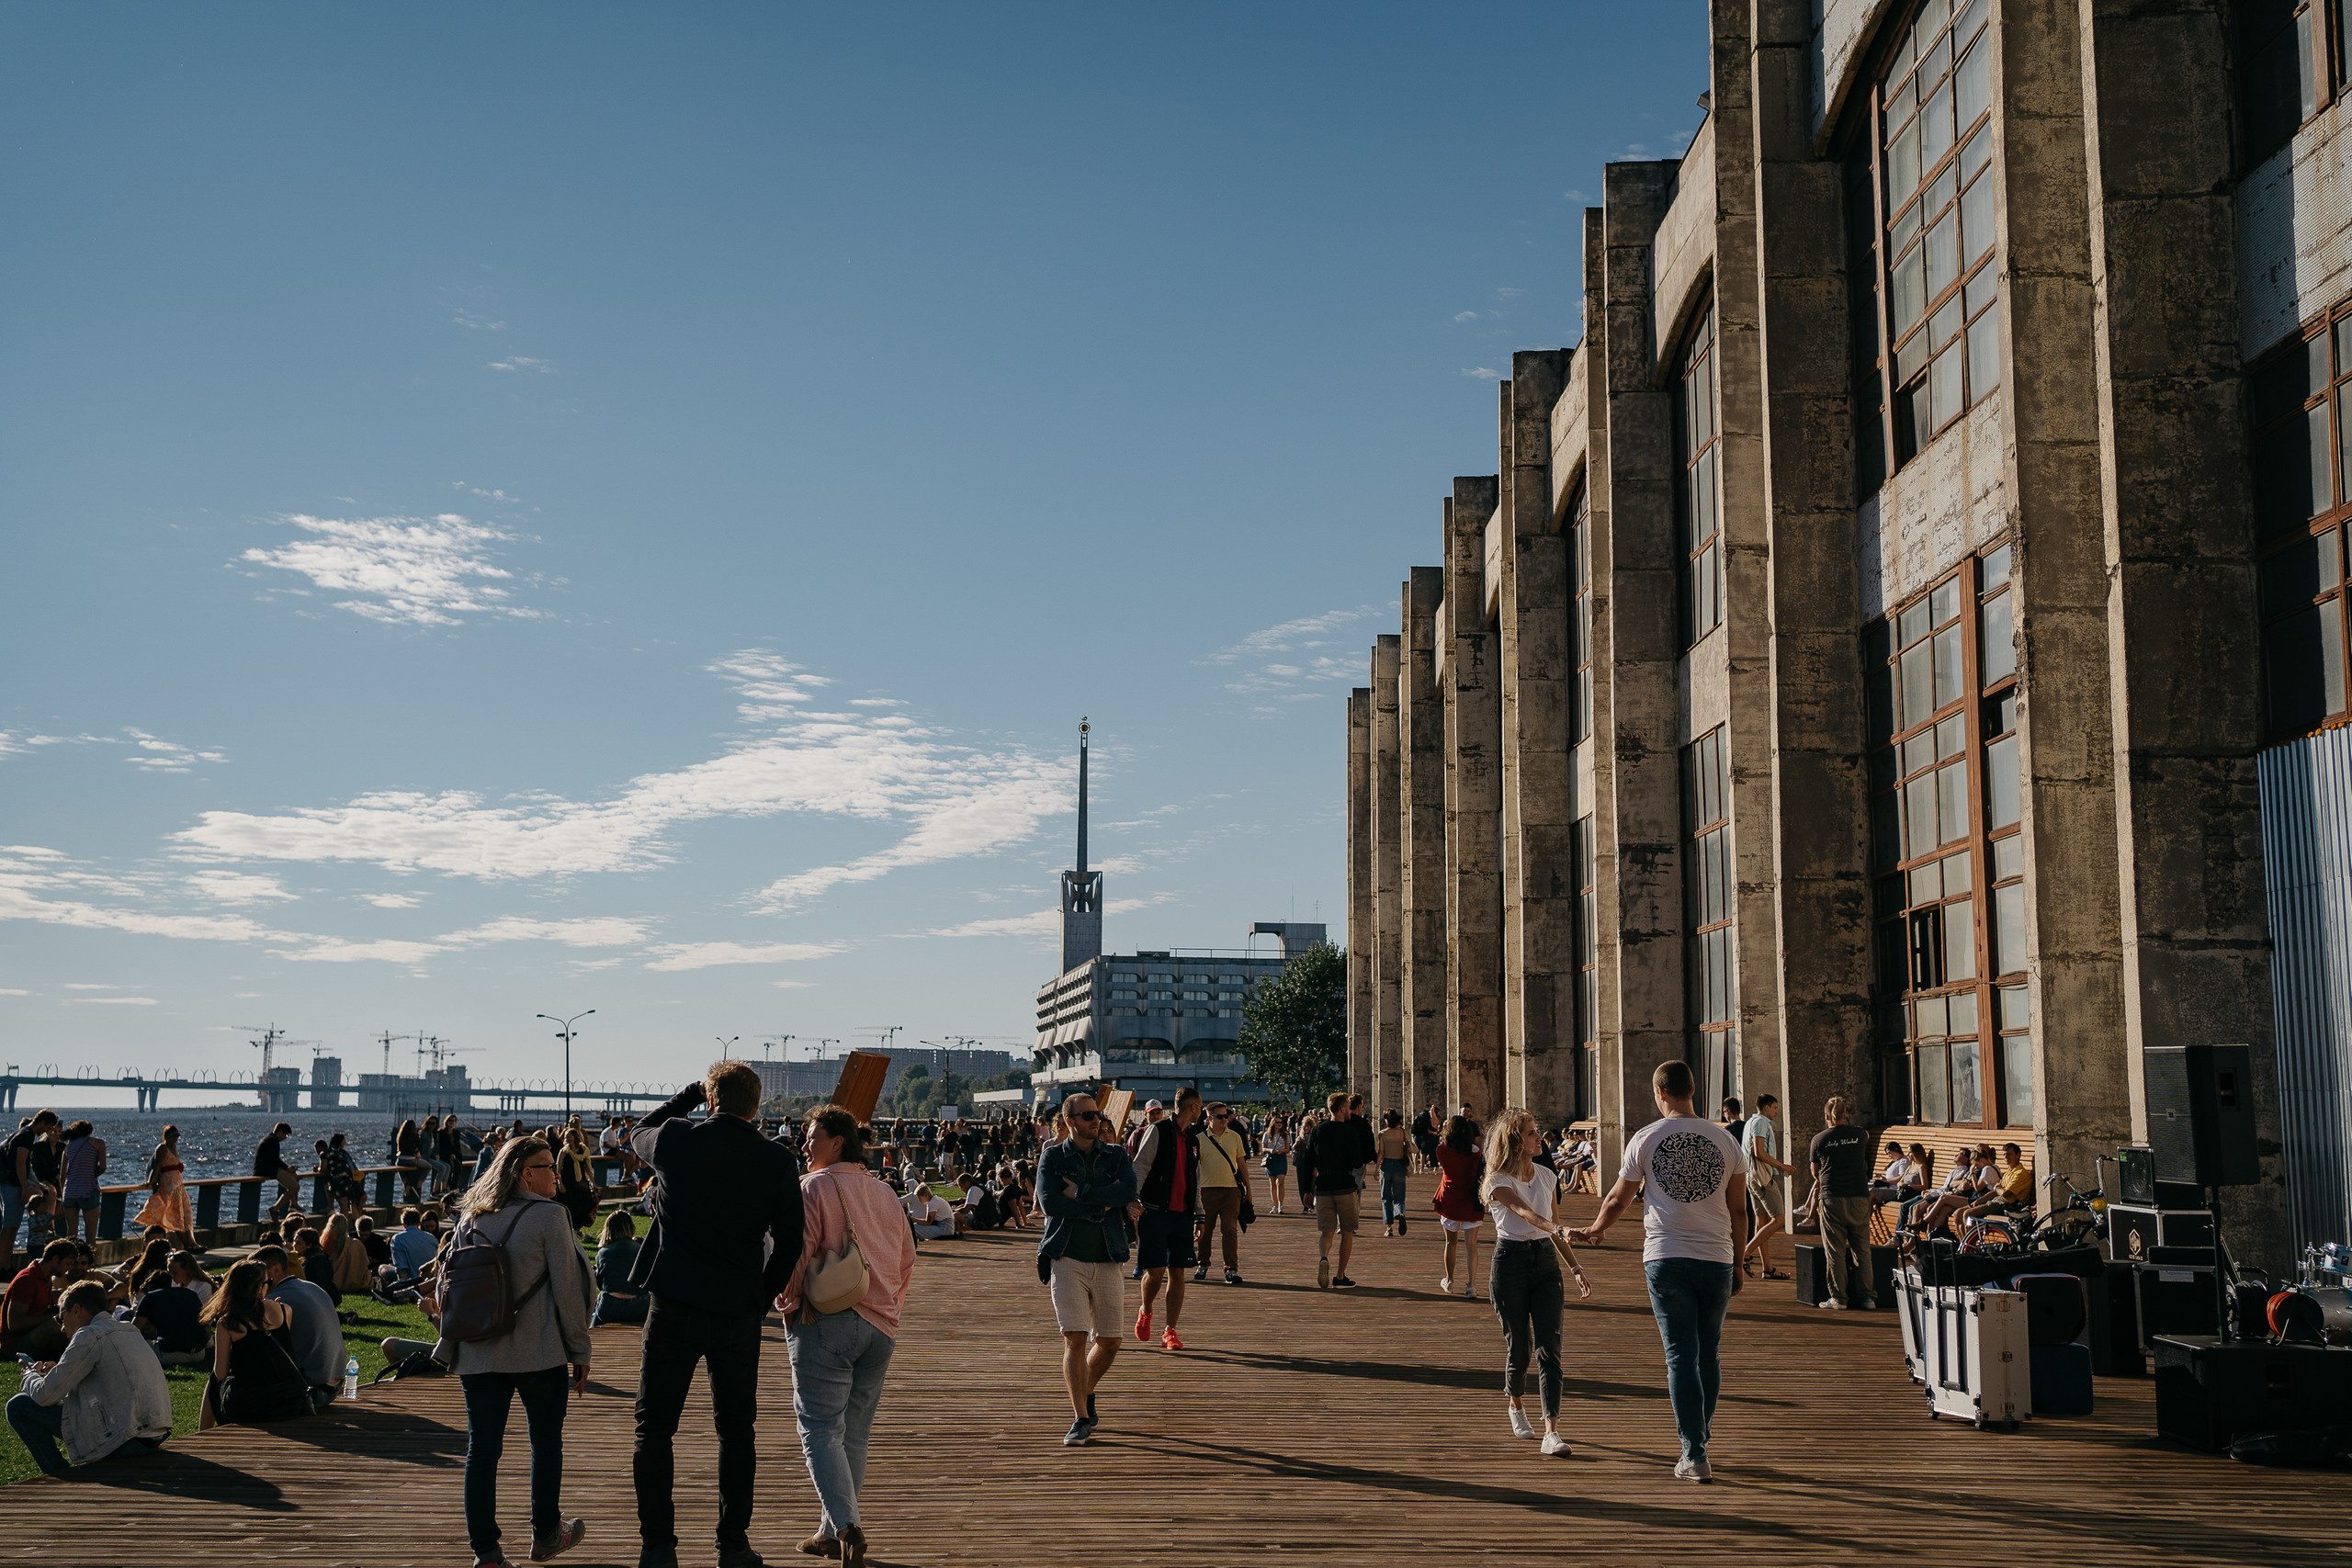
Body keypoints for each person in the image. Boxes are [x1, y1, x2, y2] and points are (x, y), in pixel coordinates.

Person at [628, 1061, 805, 1568]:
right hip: (737, 1310)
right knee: (735, 1429)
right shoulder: (774, 1159)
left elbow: (636, 1132)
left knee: (655, 1428)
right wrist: (762, 1293)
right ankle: (733, 1544)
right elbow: (790, 1239)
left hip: (674, 1304)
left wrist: (684, 1100)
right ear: (757, 1106)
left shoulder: (678, 1140)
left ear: (711, 1099)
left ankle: (658, 1546)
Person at [1567, 1061, 1748, 1483]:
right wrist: (1739, 1262)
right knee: (1709, 1353)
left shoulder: (1646, 1138)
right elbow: (1740, 1210)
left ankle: (1695, 1452)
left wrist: (1595, 1230)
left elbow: (1617, 1198)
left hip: (1666, 1258)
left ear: (1660, 1093)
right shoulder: (1726, 1140)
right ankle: (1699, 1439)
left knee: (1681, 1355)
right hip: (1717, 1257)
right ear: (1693, 1090)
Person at [432, 1134, 594, 1567]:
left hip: (478, 1352)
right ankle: (545, 1535)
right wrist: (580, 1350)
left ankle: (486, 1553)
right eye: (548, 1166)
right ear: (525, 1173)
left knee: (482, 1451)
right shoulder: (551, 1217)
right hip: (538, 1353)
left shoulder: (471, 1216)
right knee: (546, 1445)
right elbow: (569, 1292)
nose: (556, 1173)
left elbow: (446, 1283)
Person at [779, 1106, 916, 1568]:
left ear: (838, 1141)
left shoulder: (814, 1186)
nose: (804, 1142)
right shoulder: (884, 1191)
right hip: (881, 1326)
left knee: (818, 1429)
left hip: (827, 1321)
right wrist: (889, 1304)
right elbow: (906, 1258)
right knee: (853, 1435)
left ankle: (846, 1526)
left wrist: (789, 1304)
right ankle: (829, 1530)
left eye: (812, 1135)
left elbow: (799, 1253)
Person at [1037, 1091, 1137, 1446]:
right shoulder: (1052, 1158)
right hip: (1067, 1257)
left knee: (1110, 1342)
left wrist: (1079, 1194)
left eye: (1097, 1115)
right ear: (1069, 1122)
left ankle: (1084, 1389)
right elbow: (1050, 1204)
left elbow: (1128, 1190)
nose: (1095, 1120)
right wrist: (1101, 1203)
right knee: (1076, 1337)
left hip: (1108, 1255)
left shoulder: (1115, 1154)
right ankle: (1080, 1417)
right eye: (1086, 1116)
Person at [6, 1279, 173, 1476]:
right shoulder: (128, 1330)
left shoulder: (89, 1335)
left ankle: (62, 1477)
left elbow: (45, 1396)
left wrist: (29, 1375)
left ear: (76, 1310)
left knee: (19, 1406)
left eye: (61, 1317)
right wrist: (58, 1371)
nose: (61, 1326)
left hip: (125, 1442)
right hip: (153, 1435)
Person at [1480, 1109, 1574, 1458]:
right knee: (1520, 1347)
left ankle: (1552, 1430)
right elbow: (1526, 1213)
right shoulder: (1498, 1182)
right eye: (1533, 1133)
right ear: (1516, 1140)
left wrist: (1576, 1267)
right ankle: (1516, 1403)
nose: (1540, 1138)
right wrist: (1556, 1229)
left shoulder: (1548, 1176)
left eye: (1538, 1132)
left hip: (1546, 1265)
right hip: (1511, 1264)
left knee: (1550, 1348)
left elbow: (1553, 1225)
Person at [198, 1258, 313, 1428]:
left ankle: (203, 1433)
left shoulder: (228, 1322)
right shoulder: (284, 1310)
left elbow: (221, 1373)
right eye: (268, 1282)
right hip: (289, 1401)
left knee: (214, 1378)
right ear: (260, 1287)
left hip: (251, 1406)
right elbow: (272, 1350)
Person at [1131, 1086, 1201, 1348]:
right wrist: (1132, 1199)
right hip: (1155, 1211)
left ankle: (1170, 1330)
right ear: (1192, 1107)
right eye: (1200, 1106)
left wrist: (1199, 1216)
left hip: (1182, 1215)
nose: (1201, 1111)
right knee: (1156, 1271)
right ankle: (1146, 1310)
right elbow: (1141, 1165)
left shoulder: (1193, 1140)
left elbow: (1195, 1179)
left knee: (1178, 1272)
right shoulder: (1158, 1130)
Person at [251, 1243, 345, 1410]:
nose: (255, 1280)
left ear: (275, 1270)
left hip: (311, 1390)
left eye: (258, 1273)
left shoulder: (275, 1300)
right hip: (335, 1384)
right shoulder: (313, 1287)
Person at [1808, 1097, 1876, 1311]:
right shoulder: (1858, 1134)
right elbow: (1865, 1134)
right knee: (1862, 1250)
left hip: (1832, 1198)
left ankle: (1839, 1299)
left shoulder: (1818, 1140)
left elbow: (1814, 1172)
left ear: (1826, 1116)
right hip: (1859, 1196)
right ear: (1846, 1114)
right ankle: (1868, 1298)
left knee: (1835, 1252)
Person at [1306, 1091, 1375, 1289]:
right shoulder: (1350, 1132)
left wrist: (1306, 1190)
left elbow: (1308, 1161)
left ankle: (1323, 1257)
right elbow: (1356, 1161)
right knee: (1347, 1231)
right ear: (1343, 1109)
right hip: (1345, 1185)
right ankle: (1340, 1275)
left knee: (1326, 1231)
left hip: (1324, 1187)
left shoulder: (1317, 1131)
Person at [1739, 1094, 1795, 1282]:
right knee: (1779, 1219)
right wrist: (1782, 1166)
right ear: (1765, 1108)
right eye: (1774, 1107)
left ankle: (1768, 1269)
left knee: (1761, 1221)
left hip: (1751, 1177)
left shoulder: (1750, 1122)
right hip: (1762, 1178)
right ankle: (1746, 1252)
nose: (1776, 1111)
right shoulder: (1761, 1123)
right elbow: (1759, 1151)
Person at [1192, 1102, 1249, 1286]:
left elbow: (1242, 1165)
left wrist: (1249, 1191)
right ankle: (1203, 1264)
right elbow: (1192, 1168)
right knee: (1204, 1231)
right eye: (1220, 1117)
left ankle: (1231, 1269)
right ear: (1209, 1119)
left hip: (1231, 1191)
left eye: (1226, 1116)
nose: (1225, 1120)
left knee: (1230, 1230)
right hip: (1206, 1191)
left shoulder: (1235, 1137)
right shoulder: (1199, 1139)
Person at [1433, 1115, 1486, 1298]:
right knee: (1472, 1245)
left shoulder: (1442, 1151)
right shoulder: (1475, 1152)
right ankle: (1471, 1285)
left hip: (1450, 1200)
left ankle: (1449, 1280)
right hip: (1471, 1201)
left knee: (1451, 1243)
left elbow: (1442, 1146)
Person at [3, 1237, 77, 1361]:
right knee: (54, 1327)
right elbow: (14, 1324)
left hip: (30, 1335)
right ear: (55, 1259)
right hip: (13, 1346)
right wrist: (54, 1317)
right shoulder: (27, 1279)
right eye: (68, 1264)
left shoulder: (45, 1277)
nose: (69, 1268)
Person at [132, 1251, 209, 1366]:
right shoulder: (191, 1294)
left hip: (172, 1353)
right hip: (200, 1352)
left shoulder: (150, 1297)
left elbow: (132, 1331)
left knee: (137, 1347)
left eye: (175, 1273)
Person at [131, 1123, 196, 1247]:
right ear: (166, 1135)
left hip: (178, 1185)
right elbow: (158, 1167)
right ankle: (187, 1245)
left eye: (177, 1135)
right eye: (173, 1135)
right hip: (169, 1186)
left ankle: (192, 1242)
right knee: (176, 1215)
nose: (175, 1138)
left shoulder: (174, 1148)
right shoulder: (162, 1148)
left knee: (187, 1214)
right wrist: (150, 1181)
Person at [593, 1209, 648, 1326]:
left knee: (595, 1319)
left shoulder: (604, 1252)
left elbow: (600, 1284)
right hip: (640, 1307)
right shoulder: (640, 1249)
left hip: (611, 1307)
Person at [57, 1120, 107, 1245]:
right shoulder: (98, 1143)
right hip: (88, 1190)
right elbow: (103, 1167)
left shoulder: (68, 1148)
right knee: (90, 1236)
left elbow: (62, 1176)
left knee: (71, 1235)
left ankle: (70, 1262)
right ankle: (90, 1262)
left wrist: (61, 1194)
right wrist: (92, 1174)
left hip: (69, 1192)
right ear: (90, 1131)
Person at [1375, 1110, 1412, 1237]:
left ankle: (1389, 1228)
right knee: (1399, 1197)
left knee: (1386, 1197)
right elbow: (1408, 1148)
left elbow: (1381, 1152)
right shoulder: (1403, 1132)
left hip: (1386, 1165)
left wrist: (1376, 1169)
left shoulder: (1382, 1134)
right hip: (1400, 1165)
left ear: (1387, 1120)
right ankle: (1401, 1213)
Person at [254, 1122, 301, 1221]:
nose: (285, 1137)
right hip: (267, 1170)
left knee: (293, 1173)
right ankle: (274, 1209)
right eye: (286, 1134)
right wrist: (286, 1168)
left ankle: (294, 1204)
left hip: (265, 1168)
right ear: (280, 1132)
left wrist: (288, 1168)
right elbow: (274, 1159)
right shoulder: (273, 1141)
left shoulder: (269, 1139)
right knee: (295, 1187)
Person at [905, 1178, 956, 1242]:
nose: (919, 1200)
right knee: (914, 1227)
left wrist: (912, 1219)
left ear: (926, 1195)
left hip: (944, 1230)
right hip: (945, 1228)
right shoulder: (935, 1200)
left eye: (919, 1198)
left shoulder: (932, 1203)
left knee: (913, 1228)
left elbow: (928, 1222)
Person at [1261, 1113, 1292, 1214]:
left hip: (1281, 1158)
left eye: (1281, 1123)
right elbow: (1263, 1149)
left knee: (1280, 1182)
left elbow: (1288, 1149)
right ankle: (1274, 1205)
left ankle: (1280, 1205)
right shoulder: (1267, 1134)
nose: (1279, 1124)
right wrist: (1270, 1150)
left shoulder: (1285, 1134)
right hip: (1271, 1158)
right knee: (1272, 1183)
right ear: (1273, 1123)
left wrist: (1283, 1150)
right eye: (1277, 1122)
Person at [1410, 1104, 1439, 1174]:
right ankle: (1421, 1169)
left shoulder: (1418, 1116)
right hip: (1424, 1136)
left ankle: (1415, 1169)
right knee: (1423, 1153)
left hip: (1416, 1136)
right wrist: (1435, 1131)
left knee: (1416, 1152)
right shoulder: (1428, 1118)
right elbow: (1430, 1127)